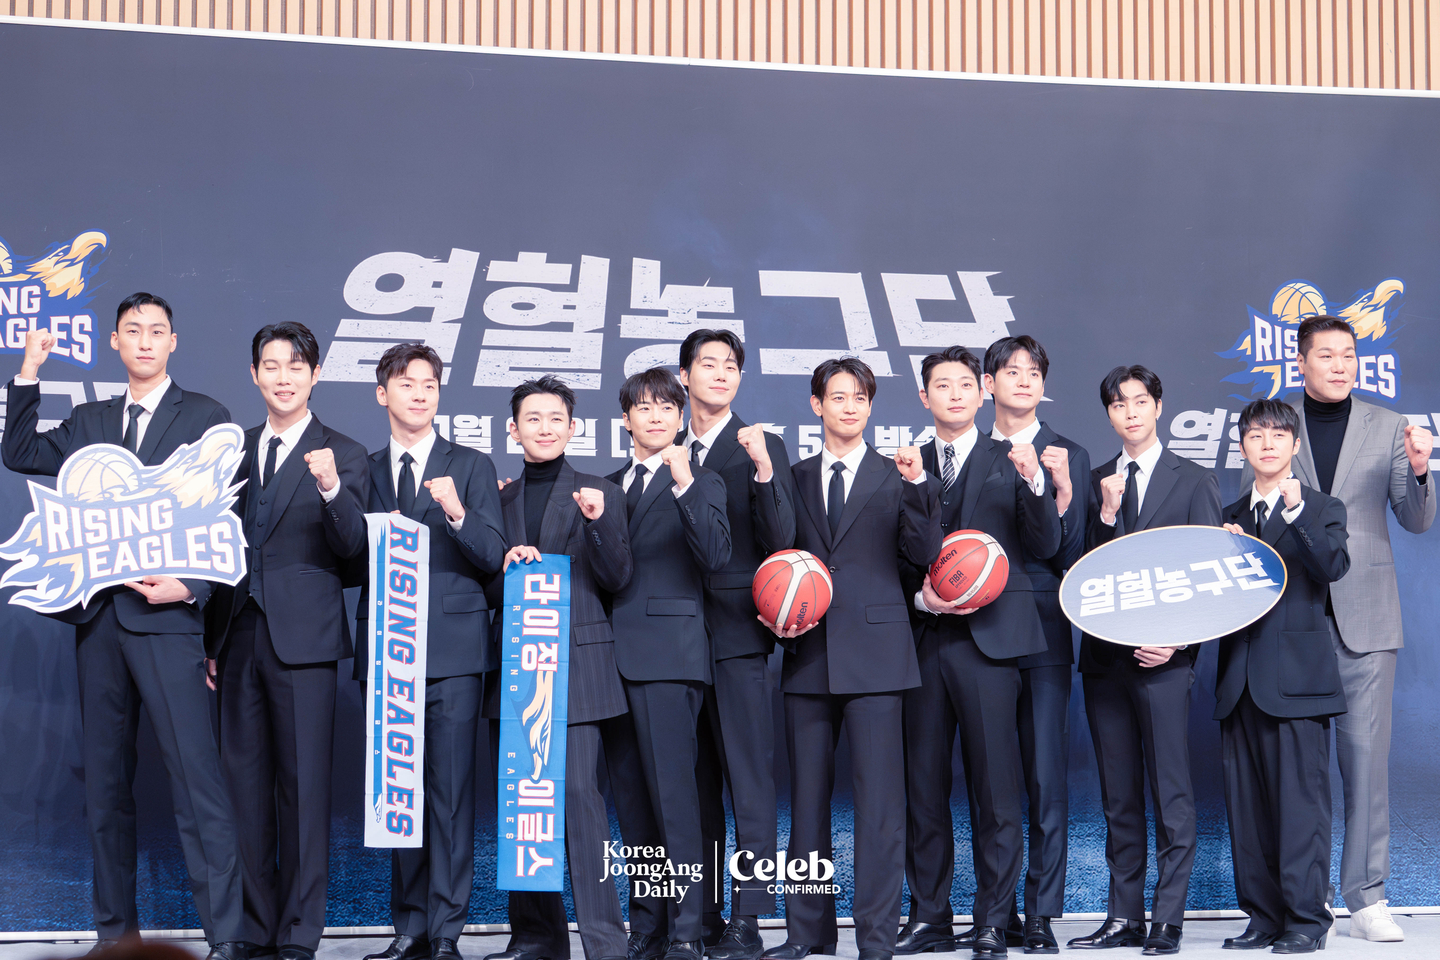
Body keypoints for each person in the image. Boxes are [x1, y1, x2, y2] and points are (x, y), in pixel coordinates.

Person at [2, 293, 245, 960]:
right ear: (115, 342)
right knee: (107, 789)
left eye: (156, 331)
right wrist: (29, 370)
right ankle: (115, 937)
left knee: (199, 787)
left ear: (173, 342)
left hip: (168, 623)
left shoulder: (205, 417)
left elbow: (226, 525)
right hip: (100, 623)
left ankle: (227, 940)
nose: (144, 340)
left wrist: (192, 589)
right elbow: (19, 450)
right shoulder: (90, 420)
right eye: (132, 331)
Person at [1240, 316, 1434, 942]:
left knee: (1364, 761)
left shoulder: (1389, 425)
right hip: (1289, 620)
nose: (1341, 364)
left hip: (1366, 615)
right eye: (1327, 355)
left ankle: (1367, 893)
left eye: (1349, 354)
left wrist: (1423, 471)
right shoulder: (1274, 428)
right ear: (1301, 363)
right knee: (1298, 769)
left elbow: (1415, 519)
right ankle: (1305, 897)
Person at [762, 357, 941, 960]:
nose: (849, 406)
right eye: (837, 397)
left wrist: (919, 489)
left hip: (879, 659)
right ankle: (806, 934)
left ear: (870, 406)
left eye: (860, 397)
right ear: (816, 405)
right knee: (807, 807)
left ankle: (875, 939)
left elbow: (923, 556)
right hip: (809, 655)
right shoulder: (794, 474)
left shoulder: (900, 475)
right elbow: (777, 550)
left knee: (880, 809)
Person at [210, 322, 370, 960]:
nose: (282, 377)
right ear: (254, 375)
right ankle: (250, 928)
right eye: (270, 366)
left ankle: (300, 933)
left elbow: (357, 554)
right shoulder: (230, 451)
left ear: (314, 375)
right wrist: (208, 639)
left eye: (294, 366)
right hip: (236, 635)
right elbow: (211, 548)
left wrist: (331, 489)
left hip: (305, 641)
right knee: (242, 790)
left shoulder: (346, 452)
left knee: (303, 792)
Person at [898, 346, 1060, 960]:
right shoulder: (905, 464)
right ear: (925, 397)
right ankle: (930, 916)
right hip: (924, 643)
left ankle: (994, 919)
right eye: (943, 385)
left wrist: (1036, 483)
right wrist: (921, 599)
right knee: (924, 787)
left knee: (997, 790)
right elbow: (895, 553)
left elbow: (1044, 544)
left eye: (967, 384)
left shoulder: (1010, 459)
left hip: (993, 643)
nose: (957, 394)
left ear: (984, 391)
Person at [355, 344, 507, 960]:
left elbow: (494, 553)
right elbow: (344, 555)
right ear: (381, 394)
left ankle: (446, 932)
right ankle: (410, 928)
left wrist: (456, 510)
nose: (419, 394)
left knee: (449, 797)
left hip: (452, 655)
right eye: (406, 383)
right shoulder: (360, 469)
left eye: (429, 384)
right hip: (389, 654)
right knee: (400, 797)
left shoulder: (469, 464)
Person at [481, 374, 634, 960]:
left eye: (555, 419)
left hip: (579, 672)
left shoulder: (599, 490)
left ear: (573, 429)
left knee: (579, 801)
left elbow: (618, 576)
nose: (544, 428)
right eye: (532, 419)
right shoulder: (496, 498)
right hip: (517, 668)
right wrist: (503, 566)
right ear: (512, 429)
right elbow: (484, 586)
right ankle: (537, 938)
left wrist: (596, 523)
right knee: (524, 803)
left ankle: (604, 942)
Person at [1070, 365, 1220, 957]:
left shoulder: (1193, 479)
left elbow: (1210, 576)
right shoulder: (1098, 479)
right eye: (1118, 405)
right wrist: (1104, 515)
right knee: (1118, 794)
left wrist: (1181, 644)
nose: (1130, 412)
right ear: (1108, 414)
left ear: (1158, 406)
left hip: (1165, 660)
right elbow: (1078, 571)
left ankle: (1168, 917)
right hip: (1106, 660)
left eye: (1140, 401)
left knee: (1172, 793)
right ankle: (1123, 915)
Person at [675, 329, 796, 960]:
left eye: (732, 366)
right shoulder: (665, 443)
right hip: (671, 641)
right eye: (709, 364)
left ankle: (749, 917)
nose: (722, 374)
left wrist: (764, 469)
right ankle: (695, 915)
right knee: (689, 790)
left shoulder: (760, 444)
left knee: (747, 783)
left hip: (736, 635)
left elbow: (783, 539)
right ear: (685, 376)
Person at [603, 368, 732, 960]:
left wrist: (683, 486)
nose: (655, 417)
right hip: (606, 663)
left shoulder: (702, 480)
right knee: (631, 802)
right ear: (624, 418)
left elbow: (715, 555)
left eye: (666, 408)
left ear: (681, 418)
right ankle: (648, 926)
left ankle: (689, 927)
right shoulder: (601, 486)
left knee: (675, 802)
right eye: (643, 407)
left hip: (669, 658)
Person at [1217, 398, 1350, 955]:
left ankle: (1305, 920)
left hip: (1298, 681)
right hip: (1238, 680)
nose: (1266, 443)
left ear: (1295, 446)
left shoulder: (1321, 507)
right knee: (1247, 810)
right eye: (1255, 435)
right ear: (1242, 446)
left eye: (1278, 435)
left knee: (1301, 808)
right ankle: (1263, 916)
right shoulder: (1228, 515)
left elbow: (1332, 570)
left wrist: (1295, 519)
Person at [981, 335, 1090, 954]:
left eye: (1033, 371)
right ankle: (995, 914)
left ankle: (1042, 912)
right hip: (979, 632)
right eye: (1010, 370)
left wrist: (1061, 495)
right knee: (994, 785)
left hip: (1045, 632)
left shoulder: (1066, 451)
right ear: (988, 383)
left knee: (1047, 778)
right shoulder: (970, 452)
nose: (1023, 380)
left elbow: (1070, 554)